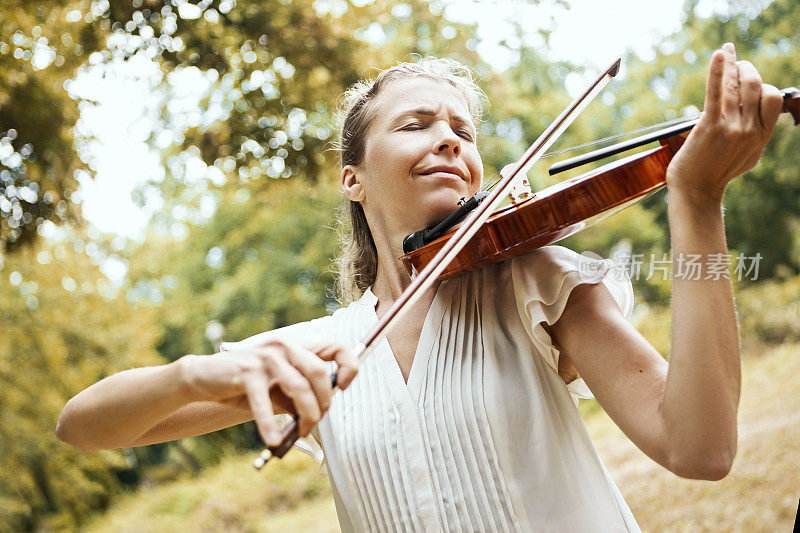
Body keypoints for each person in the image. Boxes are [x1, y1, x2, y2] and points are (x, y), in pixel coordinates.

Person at [57, 43, 784, 532]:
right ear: (354, 179)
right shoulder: (320, 354)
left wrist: (696, 201)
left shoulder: (535, 281)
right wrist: (202, 370)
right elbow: (83, 425)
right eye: (417, 124)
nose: (450, 140)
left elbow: (700, 446)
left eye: (463, 133)